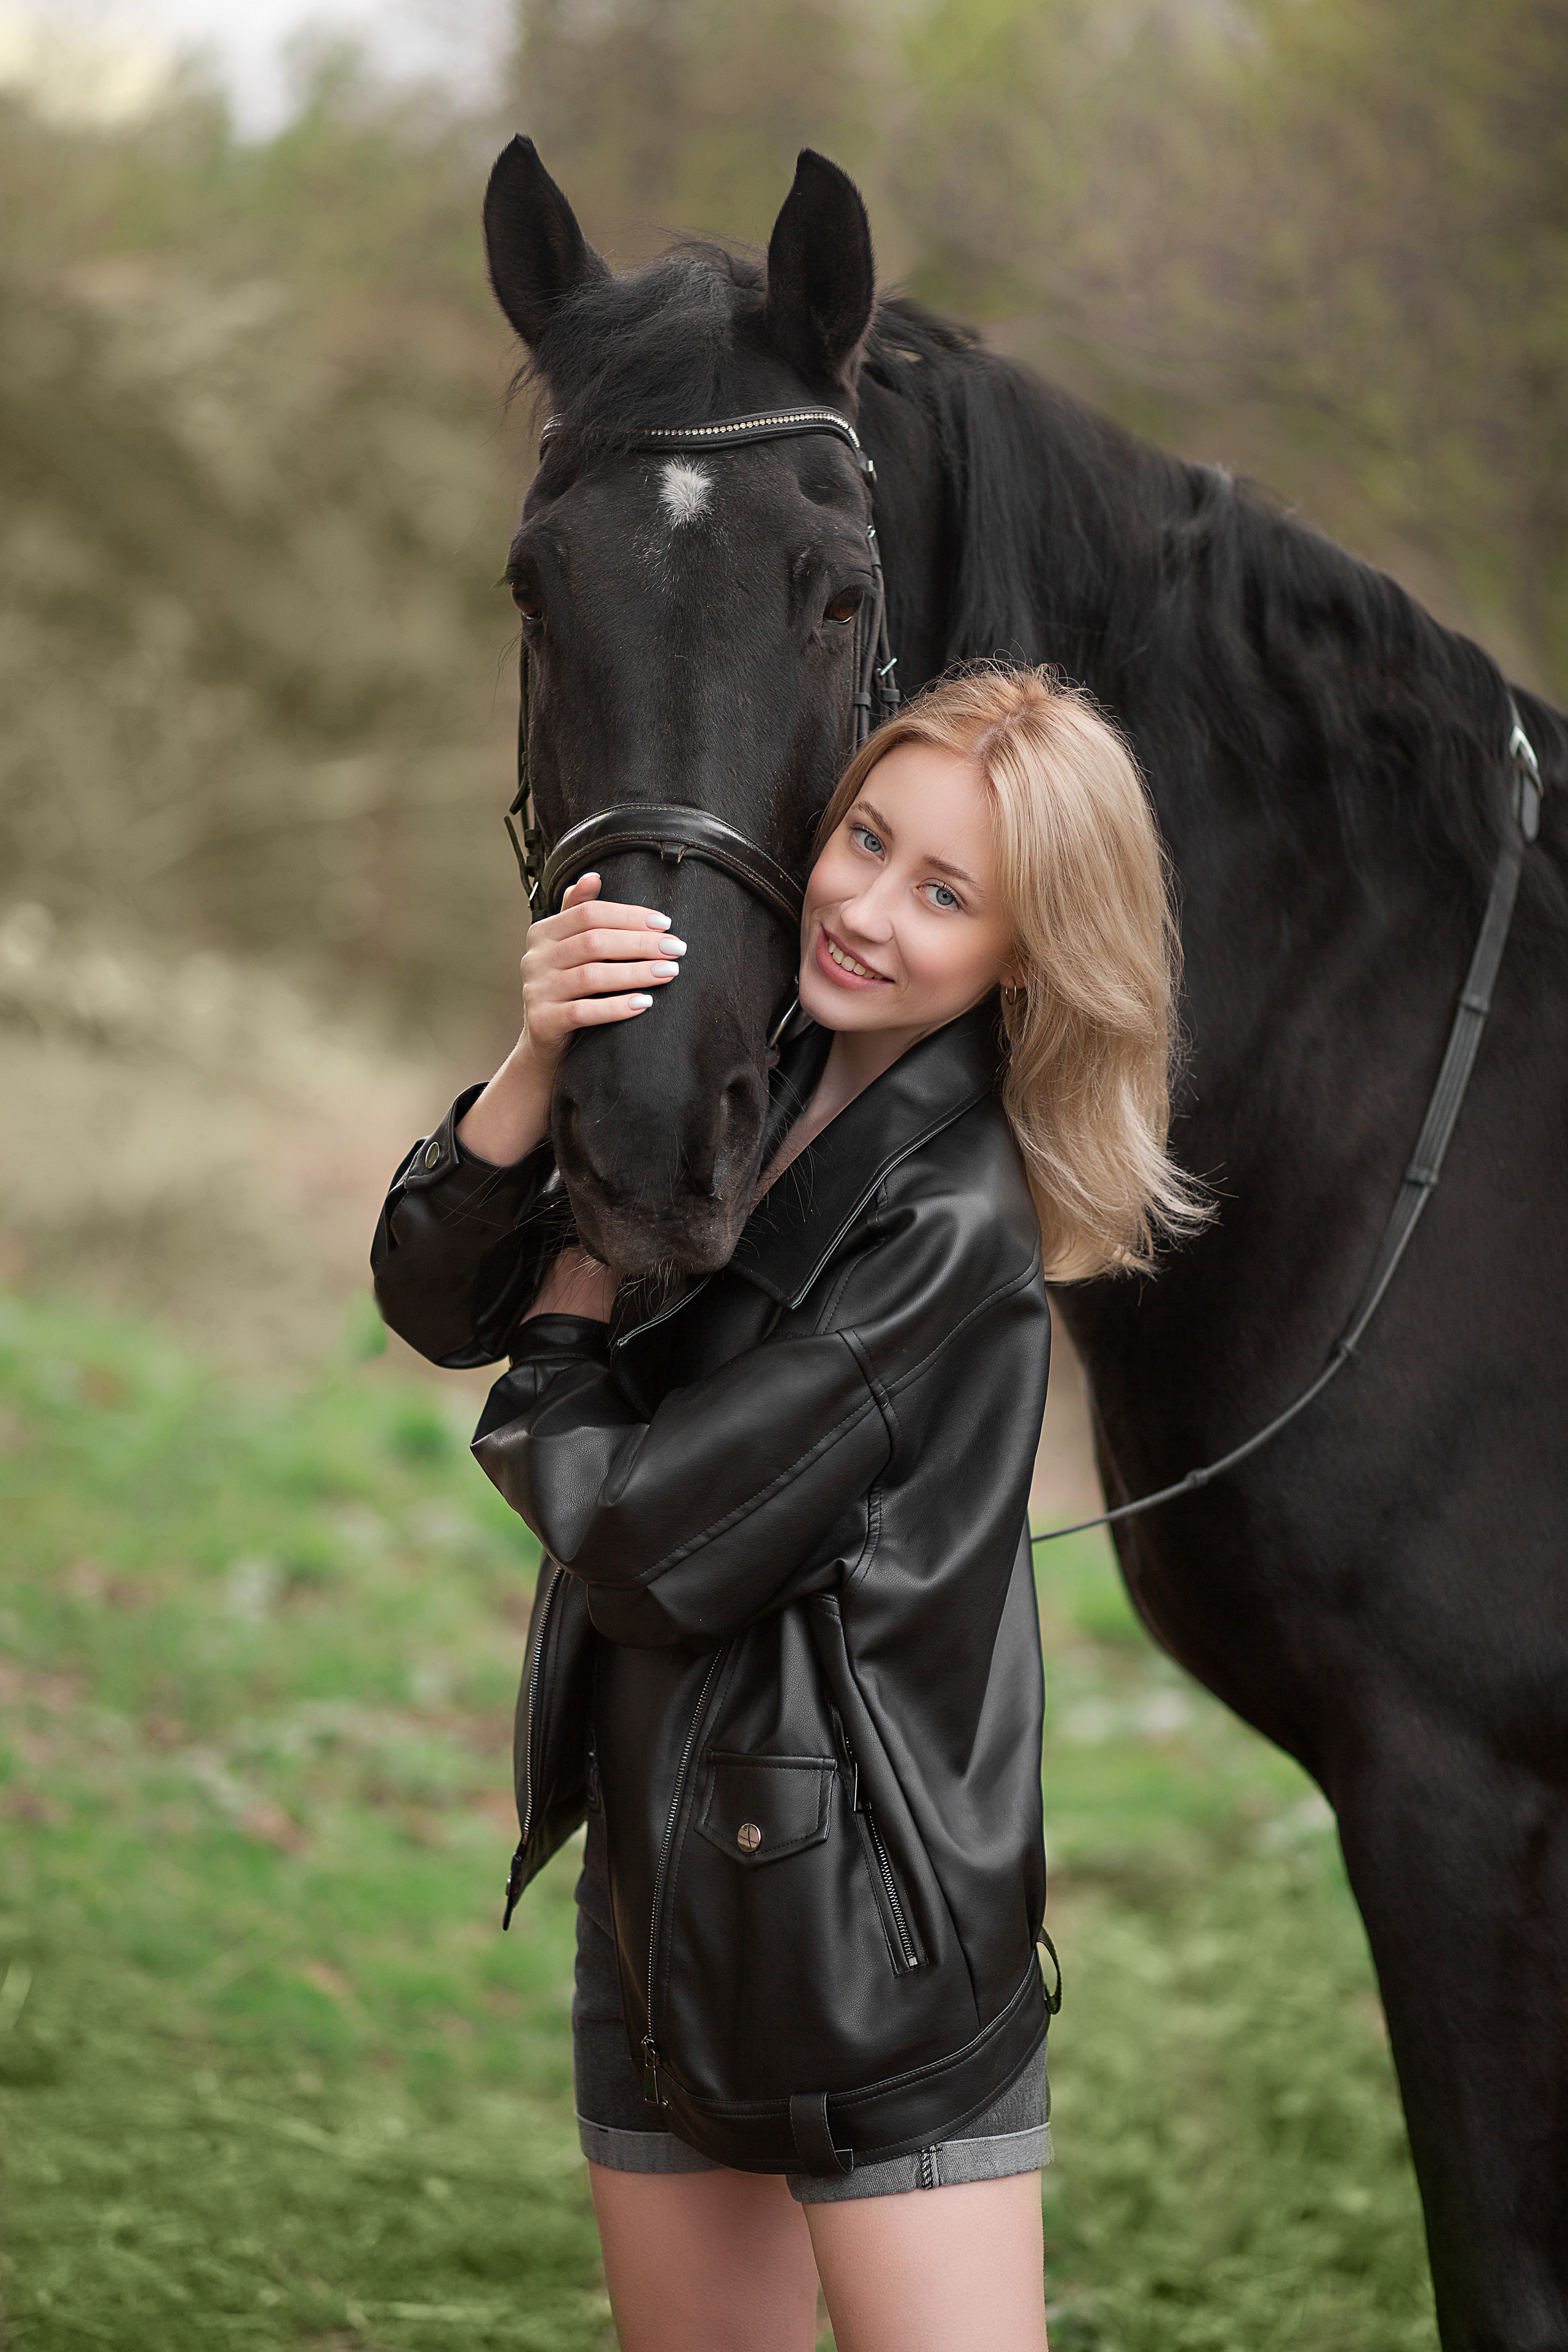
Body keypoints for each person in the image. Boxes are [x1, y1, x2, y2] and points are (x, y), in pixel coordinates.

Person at [372, 664, 1202, 2352]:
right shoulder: (727, 1063)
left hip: (875, 1933)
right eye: (866, 840)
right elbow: (423, 1293)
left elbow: (644, 1541)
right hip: (663, 1878)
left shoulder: (948, 1224)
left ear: (1025, 954)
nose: (869, 910)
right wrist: (536, 1065)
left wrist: (567, 1320)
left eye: (946, 892)